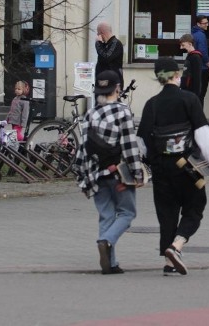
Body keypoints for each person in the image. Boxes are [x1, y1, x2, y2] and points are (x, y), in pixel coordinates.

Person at [137, 57, 209, 276]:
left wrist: (150, 164)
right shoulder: (189, 99)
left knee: (166, 213)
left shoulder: (151, 104)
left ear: (158, 78)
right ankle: (177, 245)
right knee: (195, 208)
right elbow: (202, 134)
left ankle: (168, 261)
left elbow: (142, 143)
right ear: (177, 75)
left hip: (161, 168)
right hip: (187, 166)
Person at [72, 70, 145, 275]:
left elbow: (83, 147)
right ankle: (107, 240)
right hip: (119, 173)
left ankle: (110, 264)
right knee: (127, 213)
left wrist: (81, 174)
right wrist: (137, 173)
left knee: (106, 216)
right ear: (118, 88)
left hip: (96, 174)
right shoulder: (123, 112)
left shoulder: (90, 113)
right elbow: (129, 145)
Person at [191, 16, 209, 106]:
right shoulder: (201, 35)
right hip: (202, 68)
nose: (207, 25)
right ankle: (199, 118)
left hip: (195, 67)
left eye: (207, 22)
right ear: (198, 24)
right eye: (204, 23)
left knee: (196, 94)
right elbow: (203, 52)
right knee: (201, 95)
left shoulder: (193, 34)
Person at [95, 22, 124, 88]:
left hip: (112, 86)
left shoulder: (116, 43)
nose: (97, 35)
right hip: (103, 84)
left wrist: (98, 43)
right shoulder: (105, 45)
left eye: (98, 33)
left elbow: (106, 58)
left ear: (102, 33)